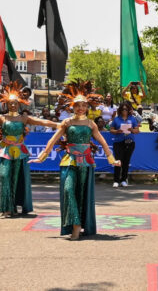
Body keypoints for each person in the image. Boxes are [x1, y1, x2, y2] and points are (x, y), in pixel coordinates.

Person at [30, 81, 120, 240]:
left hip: (85, 162)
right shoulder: (67, 122)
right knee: (68, 189)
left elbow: (103, 143)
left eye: (83, 105)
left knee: (81, 193)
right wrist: (41, 157)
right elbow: (53, 139)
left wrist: (112, 160)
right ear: (72, 106)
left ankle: (78, 227)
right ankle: (76, 224)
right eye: (77, 105)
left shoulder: (91, 124)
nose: (80, 108)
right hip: (69, 161)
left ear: (87, 106)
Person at [0, 81, 58, 217]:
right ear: (6, 104)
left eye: (15, 103)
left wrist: (60, 124)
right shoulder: (2, 118)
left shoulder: (23, 118)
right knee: (4, 176)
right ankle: (6, 206)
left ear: (19, 104)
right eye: (10, 103)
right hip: (5, 150)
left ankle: (12, 206)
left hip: (20, 152)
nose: (13, 105)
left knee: (15, 179)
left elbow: (43, 122)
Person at [110, 101, 139, 188]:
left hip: (130, 143)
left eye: (126, 109)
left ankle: (123, 180)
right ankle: (116, 180)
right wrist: (117, 131)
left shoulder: (132, 119)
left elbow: (137, 131)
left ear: (129, 110)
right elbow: (111, 130)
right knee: (118, 161)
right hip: (118, 142)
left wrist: (132, 130)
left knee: (126, 162)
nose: (124, 111)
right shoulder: (116, 119)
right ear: (120, 110)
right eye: (123, 109)